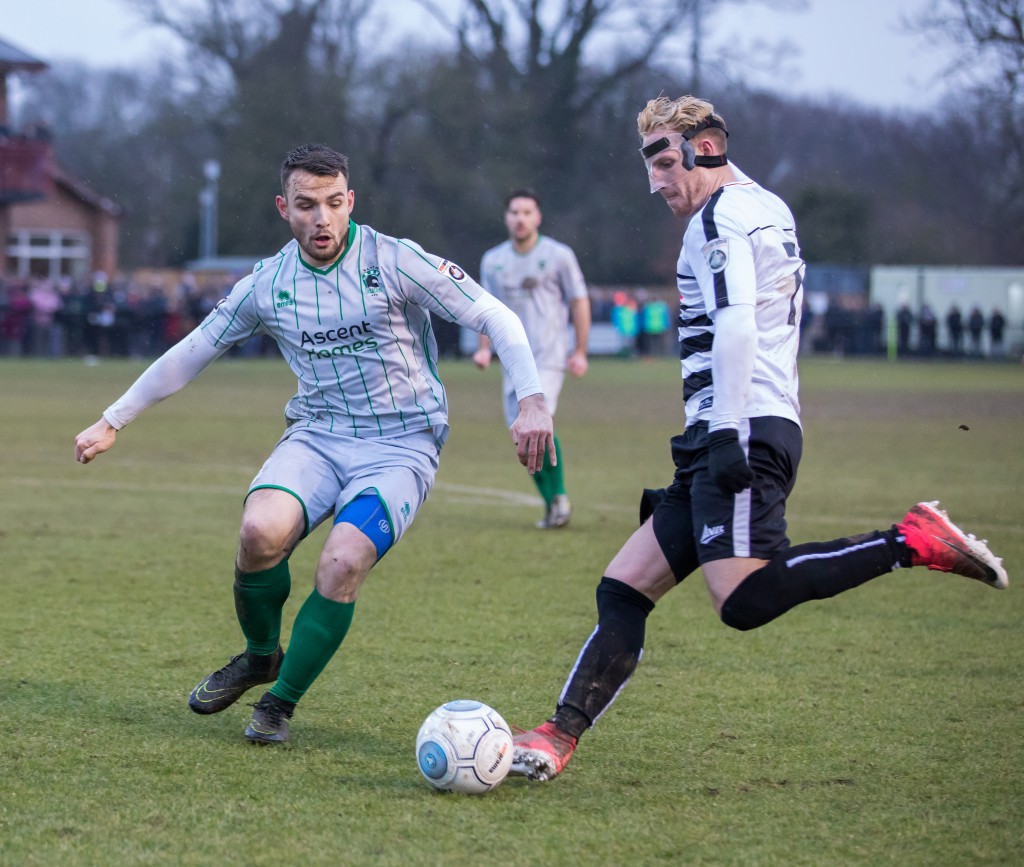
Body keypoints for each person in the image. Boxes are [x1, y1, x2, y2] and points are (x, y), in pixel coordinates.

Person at [509, 95, 1009, 782]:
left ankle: (909, 540)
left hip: (739, 426)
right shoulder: (767, 204)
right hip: (729, 427)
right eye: (647, 163)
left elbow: (740, 324)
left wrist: (723, 435)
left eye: (662, 160)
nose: (654, 181)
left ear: (703, 149)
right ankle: (557, 733)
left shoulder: (717, 220)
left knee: (742, 600)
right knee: (624, 586)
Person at [74, 144, 555, 745]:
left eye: (333, 203)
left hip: (401, 443)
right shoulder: (268, 282)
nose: (322, 219)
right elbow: (195, 348)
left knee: (343, 559)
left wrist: (532, 399)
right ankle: (259, 655)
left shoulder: (396, 261)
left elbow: (498, 319)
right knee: (258, 534)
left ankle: (278, 703)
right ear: (284, 208)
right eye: (306, 205)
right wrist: (113, 419)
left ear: (350, 200)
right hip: (318, 434)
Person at [474, 189, 591, 529]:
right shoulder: (493, 260)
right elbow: (485, 309)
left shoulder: (558, 255)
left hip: (548, 357)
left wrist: (580, 351)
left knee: (539, 422)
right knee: (521, 436)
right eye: (514, 212)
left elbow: (579, 300)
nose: (520, 218)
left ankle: (561, 498)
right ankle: (553, 502)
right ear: (506, 218)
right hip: (513, 361)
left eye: (527, 212)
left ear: (538, 217)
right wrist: (484, 348)